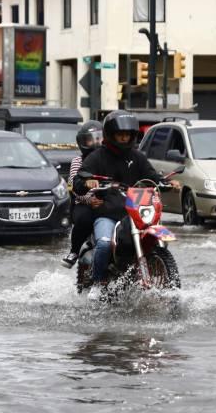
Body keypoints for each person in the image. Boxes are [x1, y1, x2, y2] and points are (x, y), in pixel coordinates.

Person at [72, 110, 180, 301]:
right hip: (107, 214)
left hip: (134, 214)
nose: (124, 138)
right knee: (104, 244)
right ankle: (98, 282)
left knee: (152, 236)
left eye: (127, 135)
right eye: (120, 134)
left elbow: (151, 177)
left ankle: (164, 283)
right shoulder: (97, 157)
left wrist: (167, 183)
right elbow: (80, 178)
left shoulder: (137, 157)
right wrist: (87, 182)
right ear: (111, 135)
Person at [62, 120, 103, 268]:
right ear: (83, 142)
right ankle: (74, 251)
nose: (96, 142)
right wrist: (89, 200)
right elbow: (73, 187)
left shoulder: (110, 159)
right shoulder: (78, 161)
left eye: (99, 138)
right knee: (85, 218)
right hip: (84, 203)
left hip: (108, 201)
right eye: (91, 139)